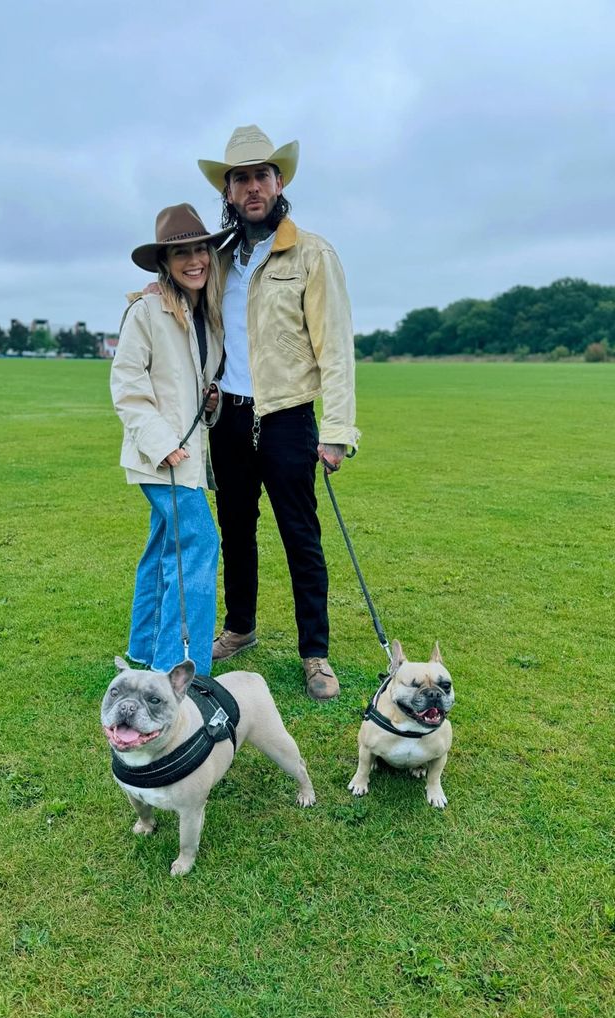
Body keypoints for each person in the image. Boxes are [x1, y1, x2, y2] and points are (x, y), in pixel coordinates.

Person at [197, 125, 360, 700]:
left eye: (261, 175)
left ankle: (315, 653)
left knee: (301, 535)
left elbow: (335, 347)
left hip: (290, 418)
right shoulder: (216, 259)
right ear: (229, 189)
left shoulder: (311, 252)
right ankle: (239, 628)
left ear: (279, 181)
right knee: (235, 530)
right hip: (230, 419)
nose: (251, 188)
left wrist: (337, 430)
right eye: (240, 178)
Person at [110, 204, 232, 676]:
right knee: (200, 544)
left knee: (164, 547)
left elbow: (187, 385)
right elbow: (127, 389)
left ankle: (143, 651)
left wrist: (210, 401)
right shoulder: (145, 311)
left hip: (188, 454)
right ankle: (180, 669)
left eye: (200, 248)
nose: (194, 259)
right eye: (181, 252)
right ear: (165, 261)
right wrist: (163, 443)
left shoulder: (203, 312)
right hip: (161, 458)